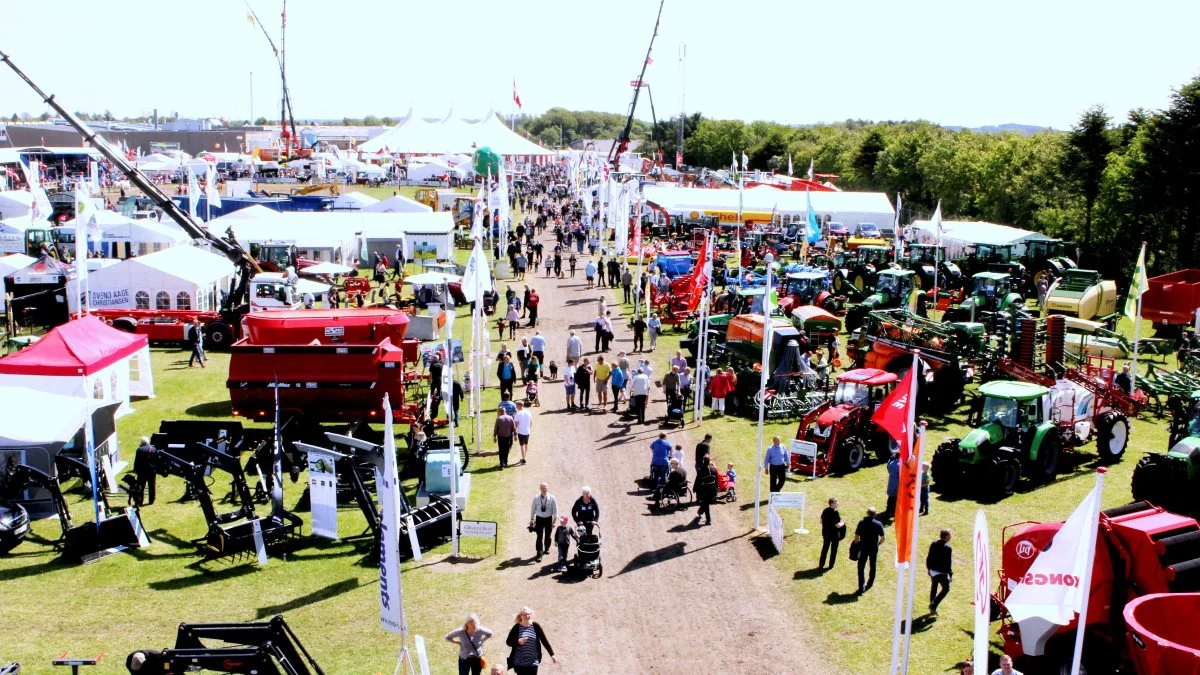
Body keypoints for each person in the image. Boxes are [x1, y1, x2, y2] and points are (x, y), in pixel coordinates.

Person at [506, 607, 556, 674]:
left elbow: (544, 641)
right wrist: (518, 642)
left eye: (528, 614)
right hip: (519, 662)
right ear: (520, 616)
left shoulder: (535, 626)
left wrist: (552, 654)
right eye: (524, 614)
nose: (527, 616)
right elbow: (508, 642)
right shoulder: (516, 627)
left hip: (533, 662)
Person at [853, 507, 886, 594]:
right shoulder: (878, 524)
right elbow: (883, 538)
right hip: (873, 548)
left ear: (867, 513)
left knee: (861, 566)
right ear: (874, 514)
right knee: (873, 565)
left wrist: (856, 544)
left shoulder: (861, 523)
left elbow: (856, 537)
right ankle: (870, 583)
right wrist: (878, 544)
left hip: (863, 547)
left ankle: (861, 587)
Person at [927, 528, 953, 615]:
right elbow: (948, 563)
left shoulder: (933, 543)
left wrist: (928, 569)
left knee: (934, 587)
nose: (951, 536)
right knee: (946, 589)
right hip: (941, 572)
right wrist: (950, 575)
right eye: (950, 535)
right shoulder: (948, 547)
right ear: (946, 536)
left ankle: (932, 606)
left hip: (932, 571)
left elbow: (928, 557)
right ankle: (933, 605)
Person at [529, 483, 557, 561]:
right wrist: (532, 519)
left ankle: (547, 548)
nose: (544, 489)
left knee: (548, 535)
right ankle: (539, 554)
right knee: (539, 536)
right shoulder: (536, 498)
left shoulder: (552, 498)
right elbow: (533, 509)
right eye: (542, 488)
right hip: (539, 519)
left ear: (547, 488)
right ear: (540, 489)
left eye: (545, 487)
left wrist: (554, 521)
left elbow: (555, 509)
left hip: (549, 519)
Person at [819, 497, 845, 569]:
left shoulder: (825, 511)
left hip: (826, 534)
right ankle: (831, 565)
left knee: (825, 549)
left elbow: (821, 521)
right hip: (834, 535)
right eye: (836, 503)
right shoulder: (835, 513)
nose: (837, 504)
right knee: (834, 550)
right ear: (832, 504)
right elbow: (838, 525)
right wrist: (843, 523)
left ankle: (821, 565)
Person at [132, 436, 157, 507]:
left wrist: (135, 470)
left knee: (141, 487)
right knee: (152, 486)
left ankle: (140, 501)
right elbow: (156, 461)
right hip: (152, 471)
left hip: (142, 471)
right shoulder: (154, 449)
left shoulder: (139, 450)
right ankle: (151, 500)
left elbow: (136, 461)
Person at [694, 455, 718, 525]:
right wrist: (716, 488)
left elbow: (698, 480)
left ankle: (708, 520)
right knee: (706, 503)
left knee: (706, 504)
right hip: (712, 489)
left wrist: (695, 488)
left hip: (704, 490)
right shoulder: (713, 469)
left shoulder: (701, 470)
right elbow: (716, 480)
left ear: (703, 461)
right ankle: (700, 511)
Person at [886, 452, 900, 517]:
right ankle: (893, 511)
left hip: (891, 480)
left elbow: (888, 469)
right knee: (895, 498)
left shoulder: (891, 463)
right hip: (897, 482)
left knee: (890, 497)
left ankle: (888, 509)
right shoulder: (899, 465)